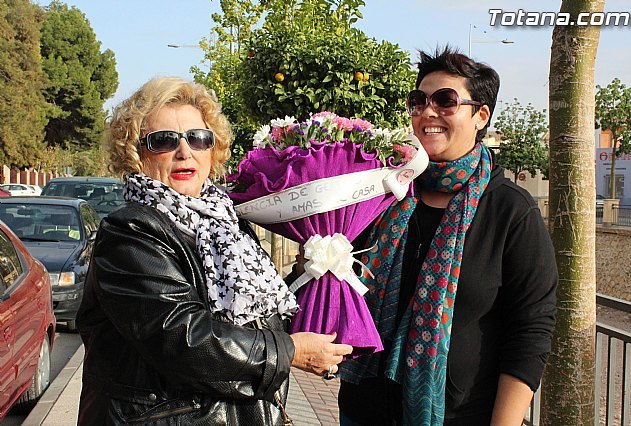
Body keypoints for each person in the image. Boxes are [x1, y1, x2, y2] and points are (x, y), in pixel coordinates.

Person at [76, 76, 352, 426]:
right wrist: (291, 352)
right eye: (164, 141)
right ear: (135, 153)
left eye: (198, 138)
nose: (184, 151)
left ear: (212, 148)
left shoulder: (227, 220)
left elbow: (251, 312)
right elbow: (183, 338)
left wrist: (308, 275)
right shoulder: (130, 232)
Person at [333, 47, 558, 425]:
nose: (428, 112)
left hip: (460, 416)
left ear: (481, 115)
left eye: (445, 101)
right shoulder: (384, 194)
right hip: (363, 410)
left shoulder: (510, 211)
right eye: (419, 101)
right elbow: (342, 280)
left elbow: (531, 329)